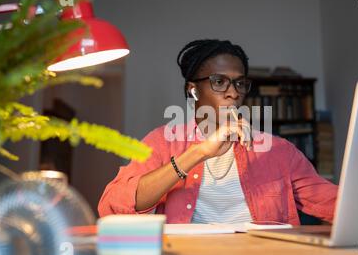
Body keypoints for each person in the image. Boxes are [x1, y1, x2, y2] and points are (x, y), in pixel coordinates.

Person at [98, 39, 338, 225]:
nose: (233, 92)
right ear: (193, 90)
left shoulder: (279, 151)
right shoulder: (162, 141)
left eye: (240, 83)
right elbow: (112, 206)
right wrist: (198, 152)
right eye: (219, 82)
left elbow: (335, 204)